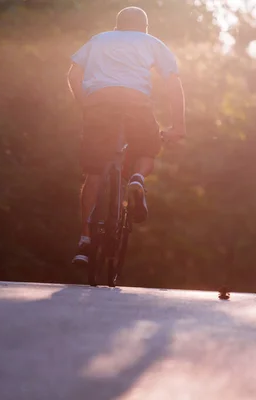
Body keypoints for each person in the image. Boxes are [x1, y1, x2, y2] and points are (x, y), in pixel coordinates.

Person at [68, 6, 186, 265]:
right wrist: (178, 126)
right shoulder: (152, 42)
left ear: (116, 27)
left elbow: (74, 74)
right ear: (145, 28)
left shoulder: (99, 40)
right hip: (136, 102)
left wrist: (84, 105)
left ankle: (85, 240)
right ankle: (137, 177)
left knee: (94, 173)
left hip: (100, 102)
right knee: (146, 149)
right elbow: (172, 83)